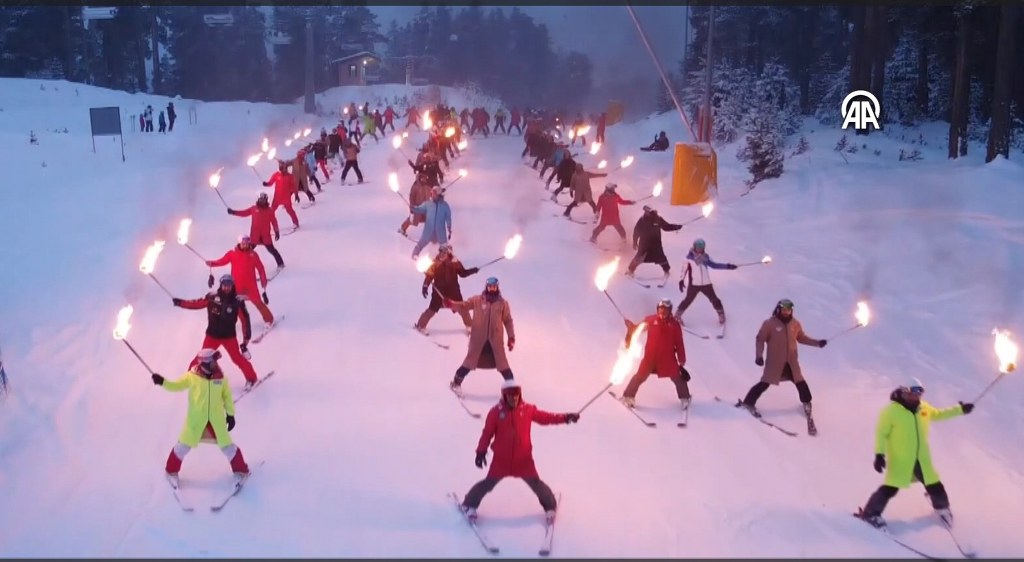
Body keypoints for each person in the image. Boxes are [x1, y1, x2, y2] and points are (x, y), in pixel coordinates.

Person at [855, 380, 975, 529]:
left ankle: (942, 509)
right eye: (913, 393)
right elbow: (881, 434)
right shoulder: (891, 412)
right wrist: (879, 455)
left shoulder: (923, 408)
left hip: (921, 459)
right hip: (901, 459)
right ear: (904, 392)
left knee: (934, 485)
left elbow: (939, 414)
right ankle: (870, 514)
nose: (916, 397)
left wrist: (960, 409)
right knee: (890, 488)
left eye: (920, 393)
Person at [459, 379, 579, 523]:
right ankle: (468, 505)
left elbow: (547, 418)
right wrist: (480, 451)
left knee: (536, 484)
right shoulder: (495, 413)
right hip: (501, 460)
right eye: (510, 396)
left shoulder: (528, 410)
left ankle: (550, 507)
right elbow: (487, 433)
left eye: (516, 395)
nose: (514, 398)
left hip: (523, 460)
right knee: (488, 484)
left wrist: (565, 418)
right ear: (504, 396)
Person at [152, 348, 250, 485]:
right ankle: (171, 471)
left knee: (228, 447)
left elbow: (227, 397)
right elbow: (176, 386)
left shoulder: (221, 378)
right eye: (212, 362)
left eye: (215, 362)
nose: (215, 364)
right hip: (196, 421)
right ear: (204, 363)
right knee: (182, 447)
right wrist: (162, 382)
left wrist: (230, 414)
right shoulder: (192, 377)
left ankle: (241, 471)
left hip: (216, 421)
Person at [738, 299, 826, 417]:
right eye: (784, 309)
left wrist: (817, 343)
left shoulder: (795, 324)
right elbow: (760, 339)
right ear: (779, 309)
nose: (786, 312)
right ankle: (748, 402)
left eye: (789, 310)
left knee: (800, 382)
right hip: (775, 362)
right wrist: (759, 356)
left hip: (791, 362)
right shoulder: (769, 323)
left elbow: (802, 338)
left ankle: (806, 402)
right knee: (764, 383)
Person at [171, 275, 259, 387]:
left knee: (237, 359)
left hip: (229, 337)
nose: (227, 288)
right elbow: (196, 304)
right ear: (221, 285)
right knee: (200, 359)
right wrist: (181, 303)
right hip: (212, 336)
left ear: (233, 286)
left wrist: (246, 338)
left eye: (229, 286)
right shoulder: (212, 298)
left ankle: (252, 379)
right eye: (225, 285)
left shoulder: (237, 302)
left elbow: (245, 320)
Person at [444, 277, 515, 394]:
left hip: (495, 340)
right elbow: (463, 306)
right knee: (469, 362)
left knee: (503, 364)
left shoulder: (503, 303)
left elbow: (508, 320)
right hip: (478, 339)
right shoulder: (477, 300)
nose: (492, 288)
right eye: (490, 286)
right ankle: (456, 383)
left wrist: (511, 337)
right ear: (486, 287)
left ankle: (512, 389)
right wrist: (451, 304)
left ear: (497, 287)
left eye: (494, 286)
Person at [619, 299, 691, 409]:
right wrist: (631, 326)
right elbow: (637, 329)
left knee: (678, 377)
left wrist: (681, 359)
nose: (662, 312)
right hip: (650, 358)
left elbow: (679, 343)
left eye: (665, 310)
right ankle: (628, 396)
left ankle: (685, 398)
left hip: (667, 359)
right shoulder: (651, 320)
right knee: (639, 377)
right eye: (661, 310)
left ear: (669, 311)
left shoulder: (674, 325)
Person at [207, 236, 273, 325]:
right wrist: (212, 263)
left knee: (258, 302)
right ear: (239, 243)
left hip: (251, 285)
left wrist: (263, 281)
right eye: (243, 243)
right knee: (231, 304)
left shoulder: (253, 254)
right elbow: (222, 261)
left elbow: (260, 268)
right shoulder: (232, 253)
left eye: (247, 243)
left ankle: (269, 320)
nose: (245, 245)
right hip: (236, 285)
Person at [674, 238, 737, 326]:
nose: (700, 249)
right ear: (694, 247)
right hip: (694, 284)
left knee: (714, 299)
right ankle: (677, 315)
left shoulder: (706, 257)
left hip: (706, 283)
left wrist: (728, 266)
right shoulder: (689, 258)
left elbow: (714, 265)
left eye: (702, 247)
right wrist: (681, 280)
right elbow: (683, 270)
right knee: (688, 300)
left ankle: (721, 313)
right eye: (698, 247)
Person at [417, 244, 479, 333]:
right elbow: (429, 277)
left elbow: (463, 273)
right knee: (432, 309)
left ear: (449, 253)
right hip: (439, 291)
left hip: (453, 291)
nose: (441, 254)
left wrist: (473, 270)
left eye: (444, 252)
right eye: (440, 252)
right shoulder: (435, 263)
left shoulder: (455, 263)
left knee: (462, 307)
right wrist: (425, 286)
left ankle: (469, 326)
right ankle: (421, 325)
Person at [227, 193, 284, 271]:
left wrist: (276, 231)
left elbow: (274, 221)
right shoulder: (254, 209)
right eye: (260, 199)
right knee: (246, 252)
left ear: (266, 200)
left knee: (272, 250)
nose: (261, 201)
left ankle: (280, 263)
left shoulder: (270, 210)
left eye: (263, 199)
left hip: (265, 236)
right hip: (255, 236)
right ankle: (244, 267)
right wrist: (233, 212)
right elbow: (244, 213)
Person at [626, 206, 682, 280]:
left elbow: (666, 227)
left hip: (656, 243)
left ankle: (666, 271)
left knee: (661, 256)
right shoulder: (642, 220)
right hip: (644, 243)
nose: (645, 213)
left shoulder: (658, 219)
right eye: (645, 211)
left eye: (647, 212)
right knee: (639, 256)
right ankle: (630, 270)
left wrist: (675, 227)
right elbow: (636, 231)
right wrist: (635, 242)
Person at [411, 186, 452, 259]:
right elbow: (419, 209)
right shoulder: (428, 204)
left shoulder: (445, 205)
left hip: (440, 232)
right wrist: (413, 209)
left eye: (433, 193)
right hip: (428, 230)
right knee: (421, 244)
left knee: (444, 247)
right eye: (431, 193)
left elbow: (448, 218)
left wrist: (449, 228)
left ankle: (442, 259)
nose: (431, 194)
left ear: (438, 194)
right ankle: (415, 256)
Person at [263, 161, 300, 230]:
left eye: (284, 168)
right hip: (277, 197)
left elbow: (293, 186)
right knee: (271, 211)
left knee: (289, 210)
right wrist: (266, 184)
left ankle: (296, 223)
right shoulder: (276, 175)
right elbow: (270, 182)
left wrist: (296, 194)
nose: (283, 170)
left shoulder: (290, 176)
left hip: (286, 197)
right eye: (281, 168)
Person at [399, 172, 433, 237]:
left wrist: (440, 191)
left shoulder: (427, 187)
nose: (424, 180)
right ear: (420, 179)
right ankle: (403, 228)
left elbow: (433, 193)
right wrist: (412, 207)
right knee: (413, 220)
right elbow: (411, 198)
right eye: (423, 179)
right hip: (417, 208)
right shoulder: (415, 187)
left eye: (425, 179)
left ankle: (432, 236)